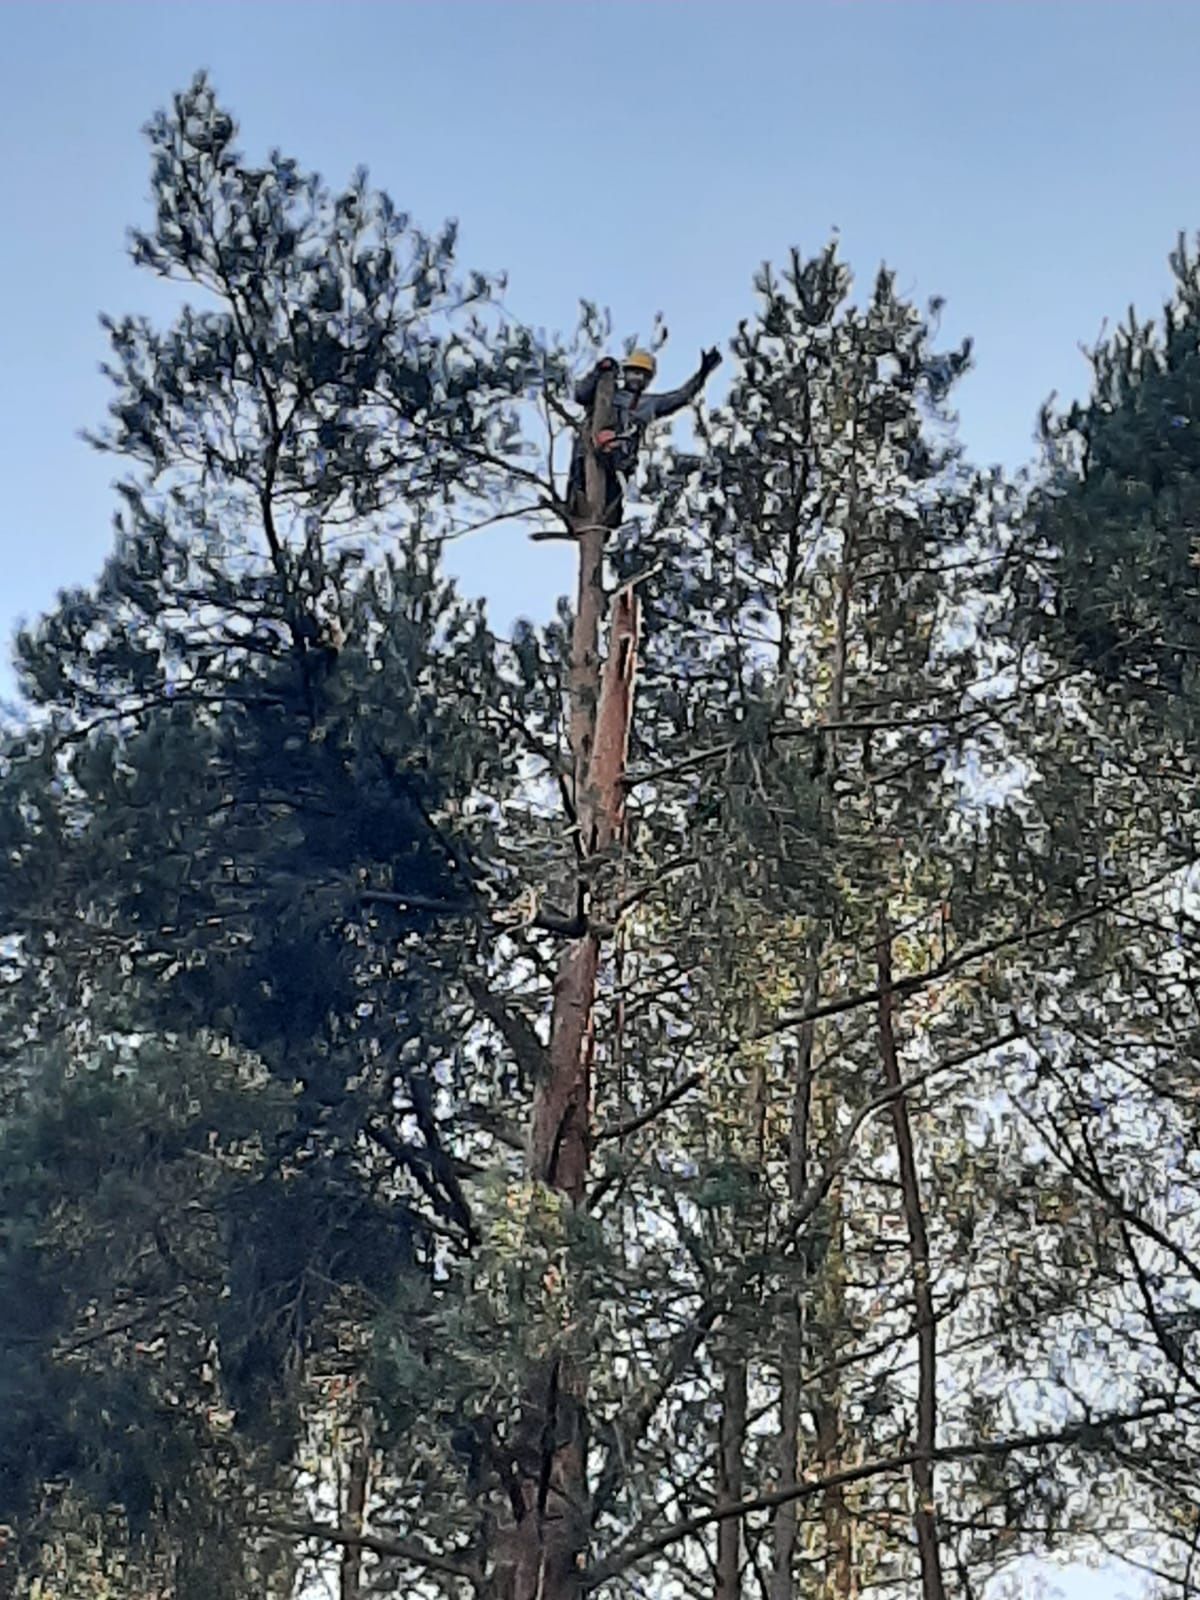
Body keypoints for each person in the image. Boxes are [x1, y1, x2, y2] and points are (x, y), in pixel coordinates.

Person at [568, 346, 722, 527]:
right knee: (578, 497)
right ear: (625, 373)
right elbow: (580, 394)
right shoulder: (606, 391)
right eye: (634, 372)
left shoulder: (650, 404)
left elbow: (681, 396)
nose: (638, 378)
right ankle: (576, 519)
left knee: (610, 515)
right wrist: (598, 371)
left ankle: (601, 532)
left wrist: (702, 373)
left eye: (644, 375)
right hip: (588, 452)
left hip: (620, 459)